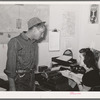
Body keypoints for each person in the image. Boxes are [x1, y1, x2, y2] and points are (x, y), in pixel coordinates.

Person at [4, 17, 46, 91]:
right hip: (19, 81)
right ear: (34, 29)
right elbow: (10, 69)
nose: (42, 36)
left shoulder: (34, 43)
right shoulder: (15, 42)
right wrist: (12, 87)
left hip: (31, 80)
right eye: (41, 33)